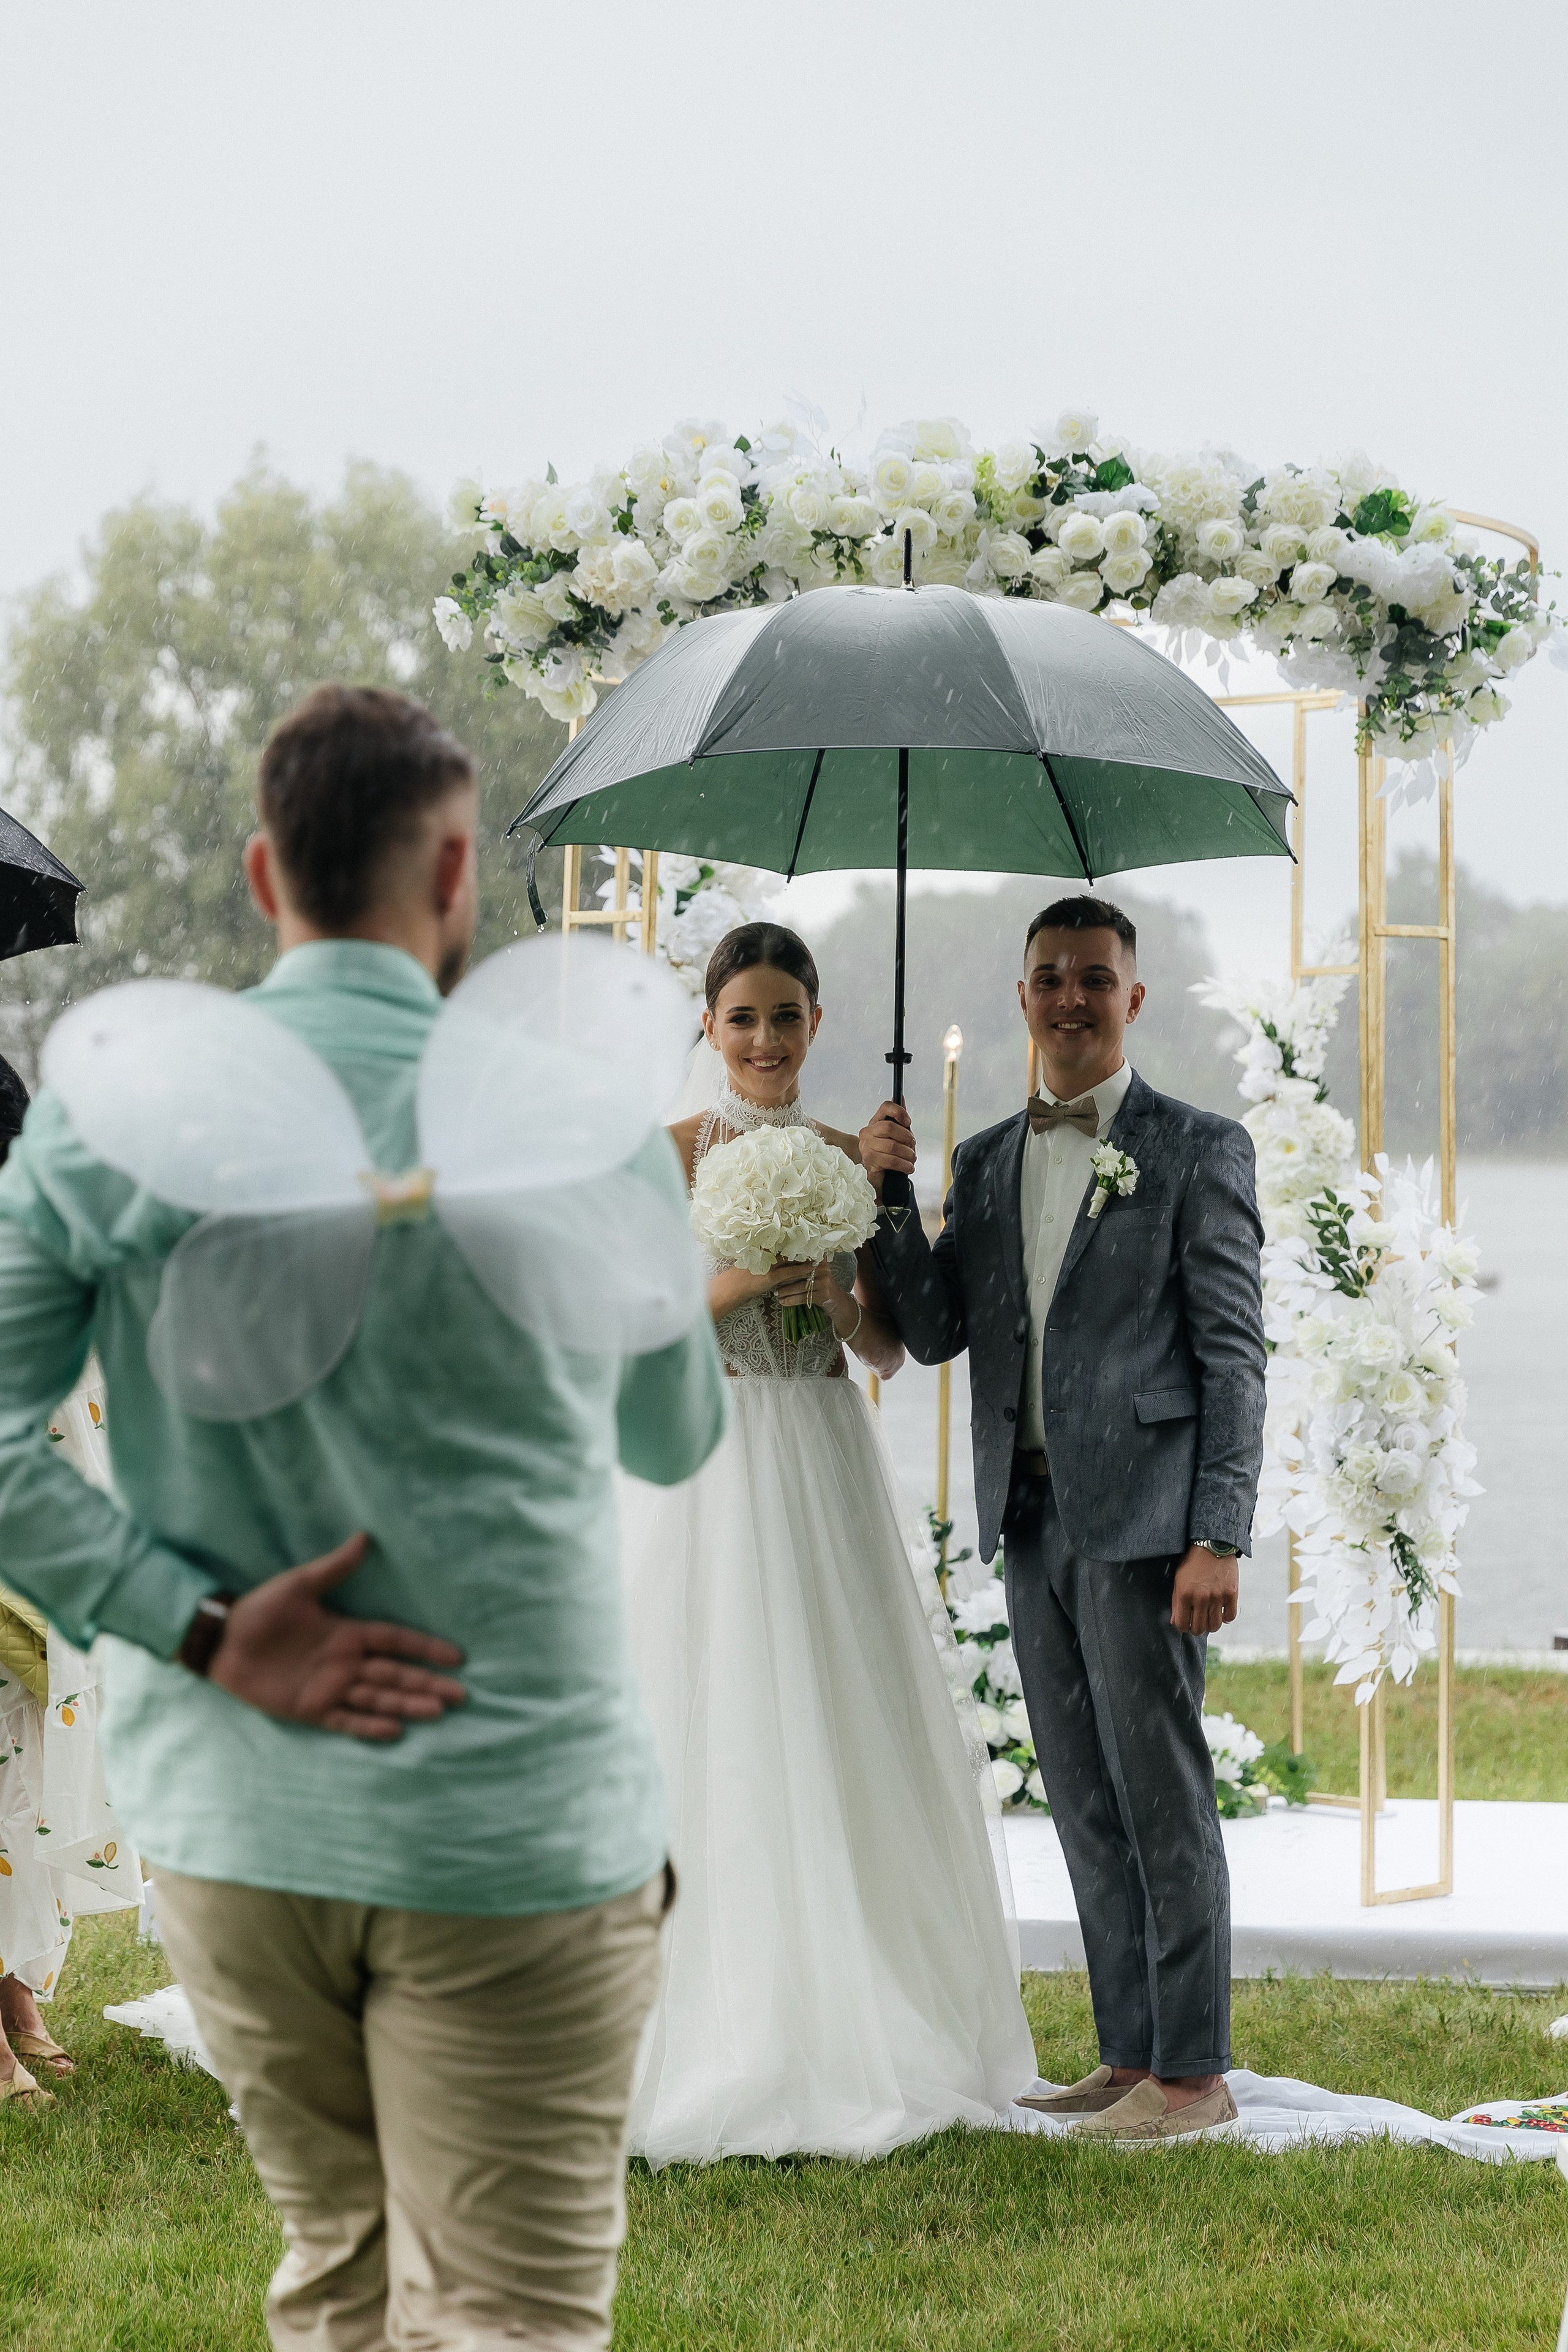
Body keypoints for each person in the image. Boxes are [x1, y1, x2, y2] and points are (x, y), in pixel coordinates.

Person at [0, 685, 727, 2347]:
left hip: (241, 1830)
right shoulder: (573, 1120)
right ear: (458, 870)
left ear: (265, 878)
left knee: (337, 2271)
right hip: (516, 1818)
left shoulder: (115, 1122)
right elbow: (677, 1431)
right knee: (518, 2314)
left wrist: (196, 1624)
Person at [619, 921, 1037, 2165]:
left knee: (828, 1711)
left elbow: (885, 1351)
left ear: (816, 1022)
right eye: (740, 1017)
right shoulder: (671, 1153)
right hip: (701, 1460)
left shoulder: (844, 1160)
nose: (762, 1040)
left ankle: (856, 2005)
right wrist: (749, 1277)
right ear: (708, 1028)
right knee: (703, 1711)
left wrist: (833, 1292)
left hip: (816, 1450)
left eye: (784, 1016)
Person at [861, 894, 1266, 2144]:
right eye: (1048, 978)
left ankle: (1191, 2077)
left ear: (1130, 998)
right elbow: (929, 1333)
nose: (1070, 998)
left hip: (1147, 1524)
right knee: (1082, 1796)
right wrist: (887, 1196)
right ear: (1021, 997)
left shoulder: (1195, 1149)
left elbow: (1233, 1357)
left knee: (1161, 1794)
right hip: (1029, 1519)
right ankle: (1126, 2052)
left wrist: (1219, 1532)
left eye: (1094, 978)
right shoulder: (982, 1162)